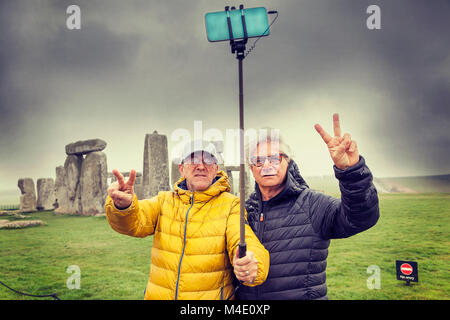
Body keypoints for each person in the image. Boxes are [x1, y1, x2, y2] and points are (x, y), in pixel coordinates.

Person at [237, 114, 380, 300]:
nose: (266, 165)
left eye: (274, 158)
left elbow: (360, 218)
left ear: (288, 161)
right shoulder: (243, 211)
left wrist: (351, 171)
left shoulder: (313, 205)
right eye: (258, 160)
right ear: (250, 167)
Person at [105, 140, 269, 300]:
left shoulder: (231, 205)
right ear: (182, 169)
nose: (201, 166)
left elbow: (244, 238)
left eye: (209, 160)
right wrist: (124, 207)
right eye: (194, 160)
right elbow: (135, 222)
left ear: (216, 169)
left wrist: (251, 261)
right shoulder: (164, 201)